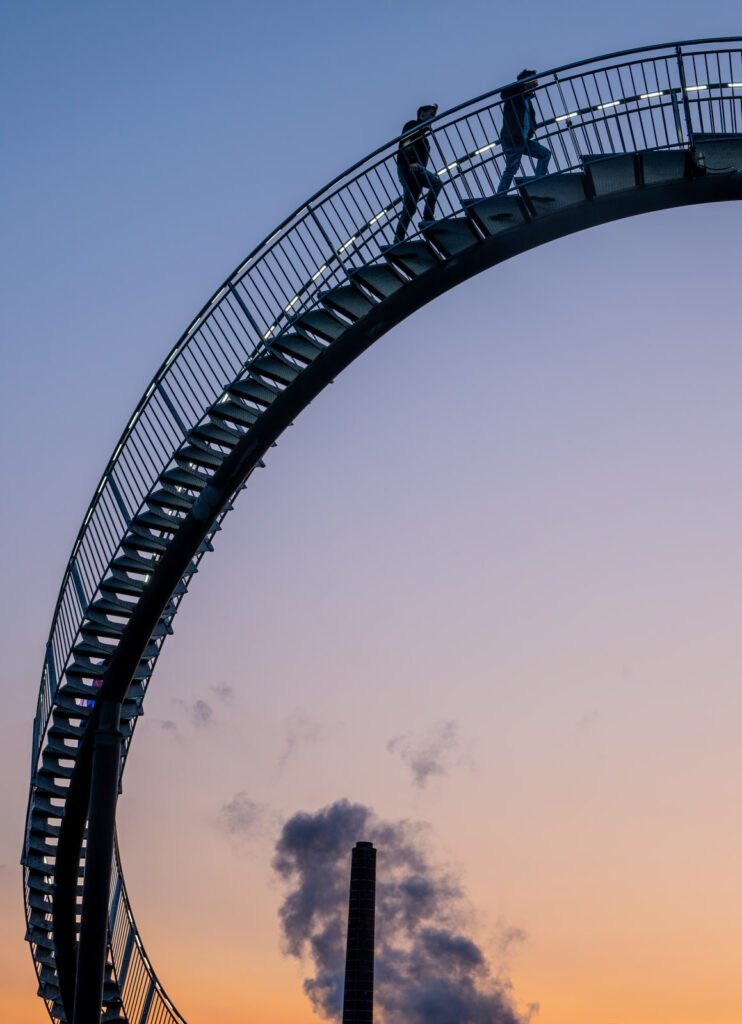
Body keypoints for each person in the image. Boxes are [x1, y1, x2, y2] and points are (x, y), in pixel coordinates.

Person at [496, 70, 552, 194]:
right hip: (512, 139)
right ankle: (500, 194)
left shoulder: (527, 100)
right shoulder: (514, 96)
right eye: (534, 81)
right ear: (526, 82)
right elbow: (504, 94)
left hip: (523, 139)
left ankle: (538, 181)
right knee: (511, 168)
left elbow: (528, 119)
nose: (536, 84)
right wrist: (522, 86)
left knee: (545, 154)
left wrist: (531, 130)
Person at [393, 104, 443, 243]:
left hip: (417, 171)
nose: (433, 118)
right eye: (431, 115)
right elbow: (406, 142)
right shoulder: (412, 125)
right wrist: (412, 162)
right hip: (408, 168)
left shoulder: (426, 140)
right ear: (422, 114)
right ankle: (426, 217)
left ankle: (398, 239)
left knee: (410, 207)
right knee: (435, 183)